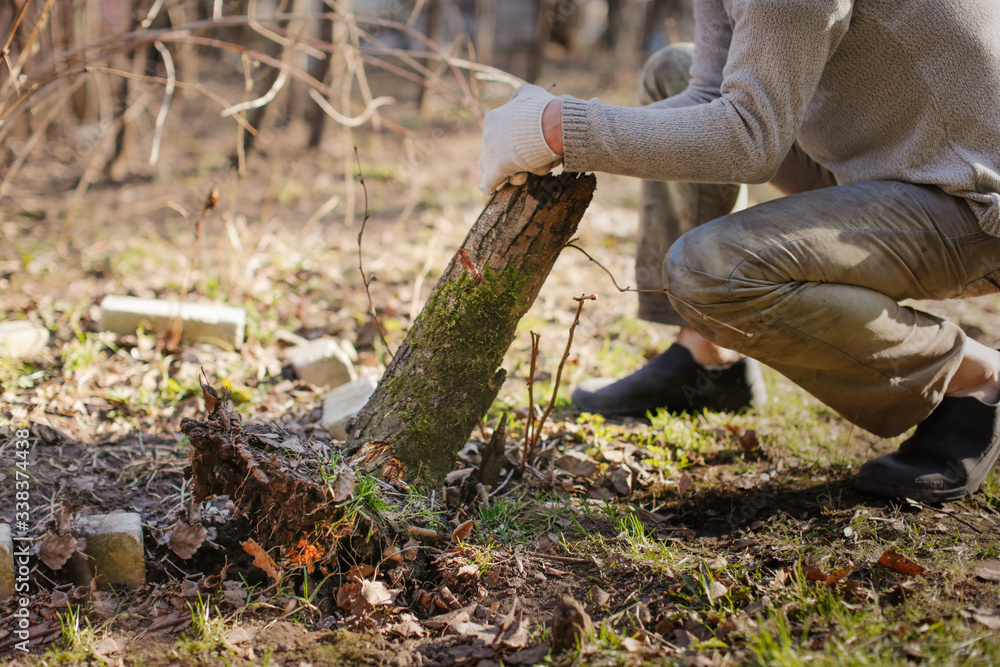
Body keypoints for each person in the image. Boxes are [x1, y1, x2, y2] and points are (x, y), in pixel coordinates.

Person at [477, 0, 1000, 503]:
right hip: (893, 157)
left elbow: (749, 139)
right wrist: (559, 125)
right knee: (675, 72)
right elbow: (709, 97)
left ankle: (977, 379)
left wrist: (557, 128)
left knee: (714, 271)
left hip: (972, 202)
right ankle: (708, 362)